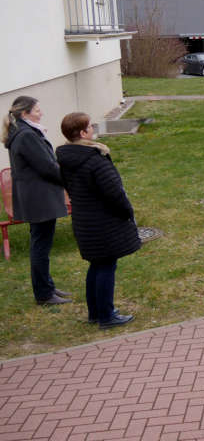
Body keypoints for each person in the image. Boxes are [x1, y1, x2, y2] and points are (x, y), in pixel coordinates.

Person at [56, 112, 141, 328]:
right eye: (90, 126)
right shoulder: (95, 160)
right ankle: (106, 316)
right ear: (83, 133)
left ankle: (96, 312)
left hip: (84, 220)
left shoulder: (66, 159)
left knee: (96, 265)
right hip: (103, 223)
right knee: (106, 266)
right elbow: (114, 193)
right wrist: (127, 212)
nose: (93, 129)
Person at [2, 96, 71, 305]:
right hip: (39, 197)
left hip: (35, 195)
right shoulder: (26, 135)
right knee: (41, 245)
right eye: (37, 109)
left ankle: (46, 287)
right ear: (25, 113)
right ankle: (44, 294)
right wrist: (69, 179)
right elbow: (47, 166)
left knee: (40, 243)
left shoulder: (23, 132)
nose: (41, 112)